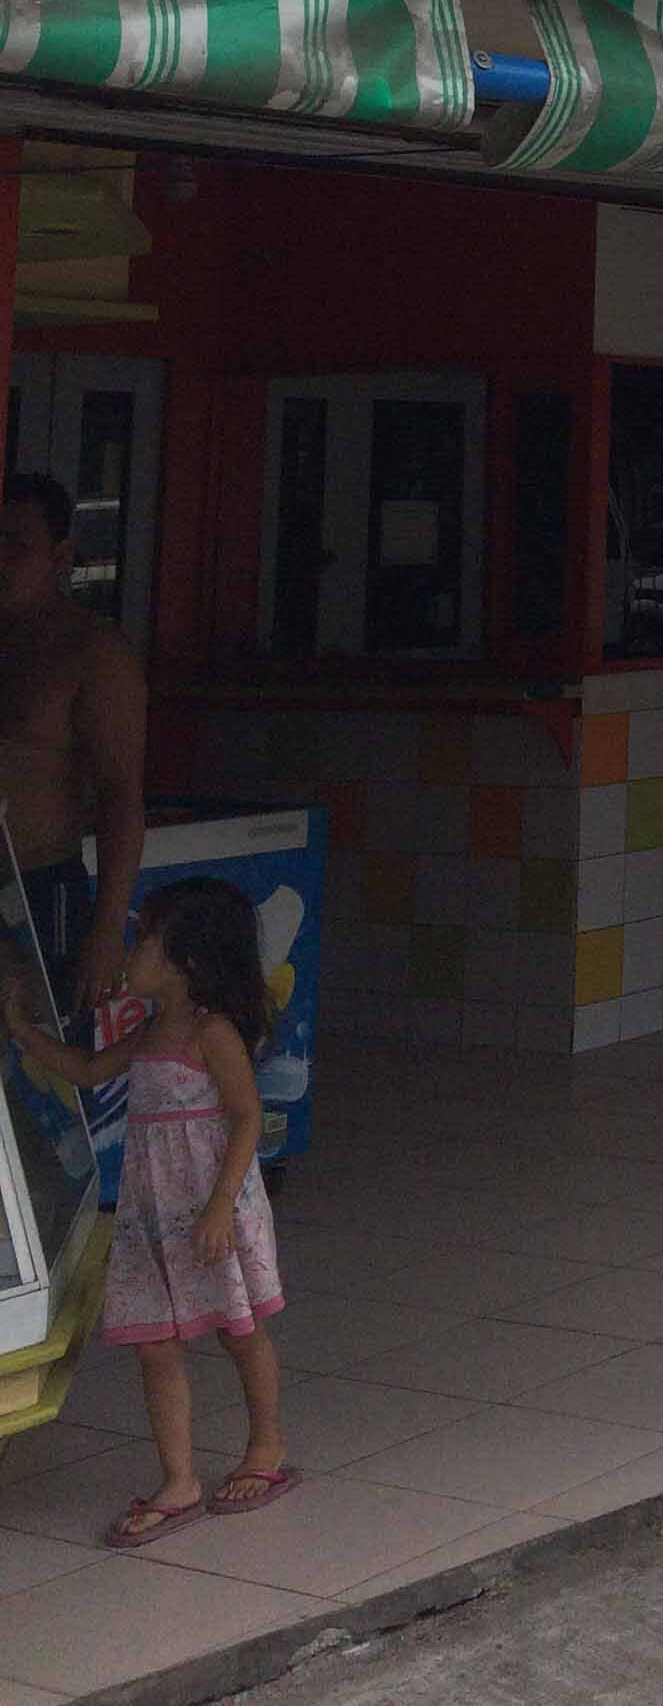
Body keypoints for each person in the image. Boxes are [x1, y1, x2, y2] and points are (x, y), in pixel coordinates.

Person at [4, 875, 293, 1549]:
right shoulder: (151, 1026)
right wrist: (20, 1029)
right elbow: (87, 1072)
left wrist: (221, 1207)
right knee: (155, 1345)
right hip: (153, 1214)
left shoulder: (211, 1032)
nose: (128, 953)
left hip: (211, 1209)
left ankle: (267, 1449)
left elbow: (248, 1117)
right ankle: (179, 1479)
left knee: (238, 1331)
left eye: (142, 940)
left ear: (185, 963)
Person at [0, 469, 148, 1026]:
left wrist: (108, 931)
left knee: (43, 1078)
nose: (0, 558)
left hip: (37, 884)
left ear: (60, 557)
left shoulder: (95, 653)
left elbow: (120, 797)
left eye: (16, 543)